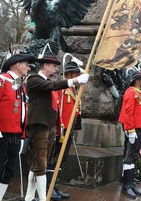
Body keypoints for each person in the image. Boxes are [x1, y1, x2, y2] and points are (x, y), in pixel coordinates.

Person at [24, 50, 88, 201]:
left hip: (49, 126)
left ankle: (29, 197)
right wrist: (76, 80)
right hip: (39, 126)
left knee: (38, 164)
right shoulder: (33, 78)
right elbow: (51, 86)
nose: (57, 69)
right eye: (53, 65)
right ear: (45, 65)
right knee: (40, 165)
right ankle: (43, 197)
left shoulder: (47, 82)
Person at [0, 53, 36, 200]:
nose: (28, 68)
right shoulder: (2, 81)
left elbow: (23, 111)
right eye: (27, 65)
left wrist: (22, 135)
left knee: (8, 172)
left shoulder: (20, 85)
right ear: (18, 65)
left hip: (15, 135)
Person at [47, 60, 89, 200]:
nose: (78, 75)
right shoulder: (62, 88)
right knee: (53, 159)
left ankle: (56, 186)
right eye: (75, 73)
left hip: (68, 131)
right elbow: (56, 108)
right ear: (69, 74)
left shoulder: (73, 90)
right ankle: (49, 187)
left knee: (61, 159)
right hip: (60, 130)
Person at [118, 67, 141, 199]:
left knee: (133, 157)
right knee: (130, 157)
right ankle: (126, 186)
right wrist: (130, 130)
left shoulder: (137, 92)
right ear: (136, 80)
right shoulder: (131, 92)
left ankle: (130, 184)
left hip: (139, 128)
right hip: (133, 128)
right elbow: (128, 112)